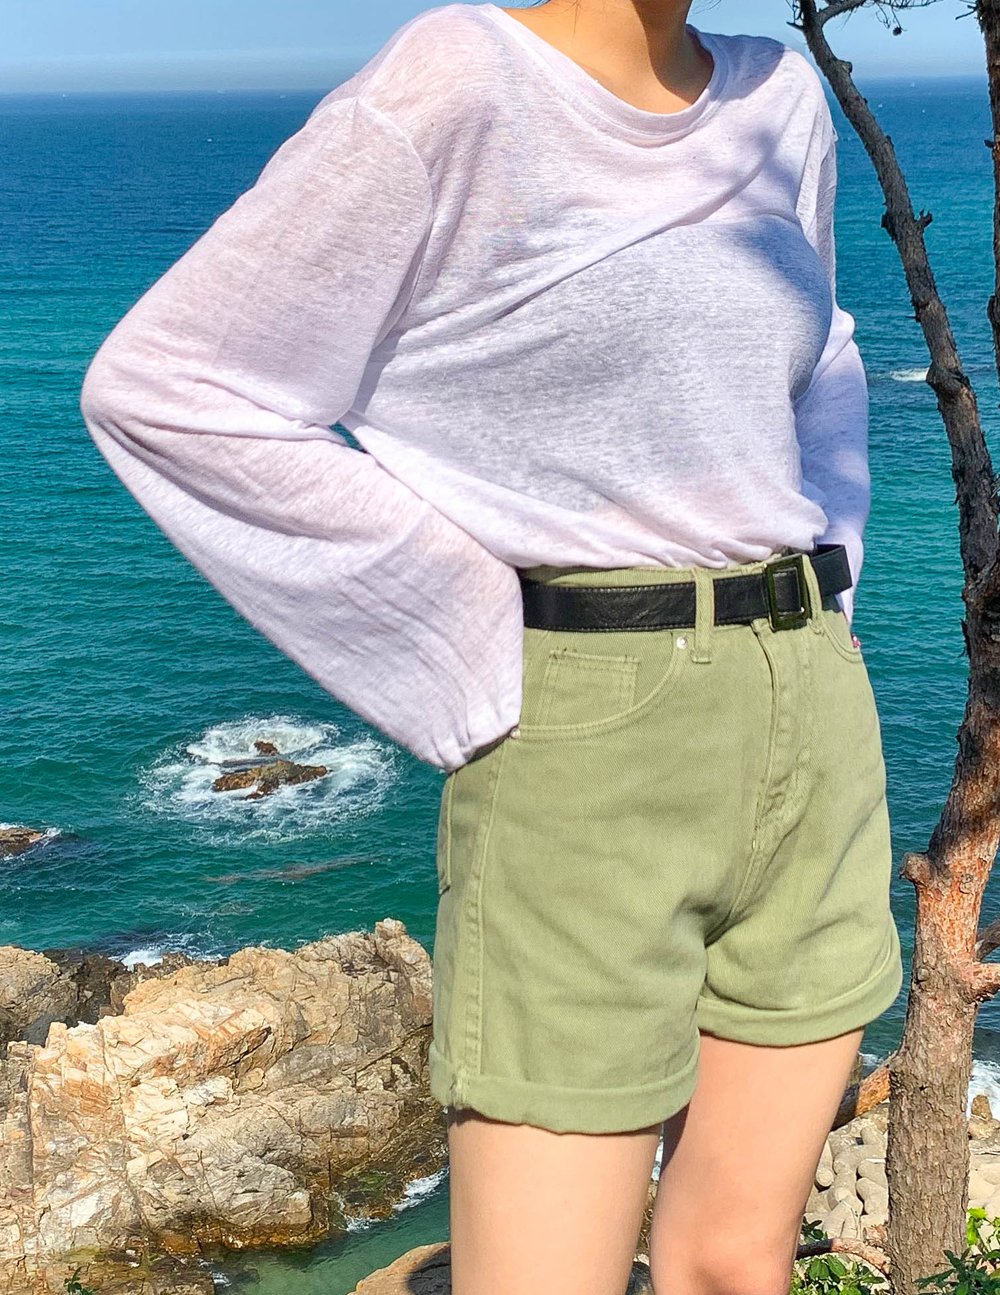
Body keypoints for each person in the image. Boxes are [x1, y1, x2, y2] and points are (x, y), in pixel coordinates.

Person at [78, 0, 905, 1291]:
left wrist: (831, 576)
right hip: (585, 749)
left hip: (811, 720)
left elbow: (822, 354)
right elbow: (170, 388)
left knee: (736, 1265)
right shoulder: (461, 81)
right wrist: (466, 635)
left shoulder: (781, 99)